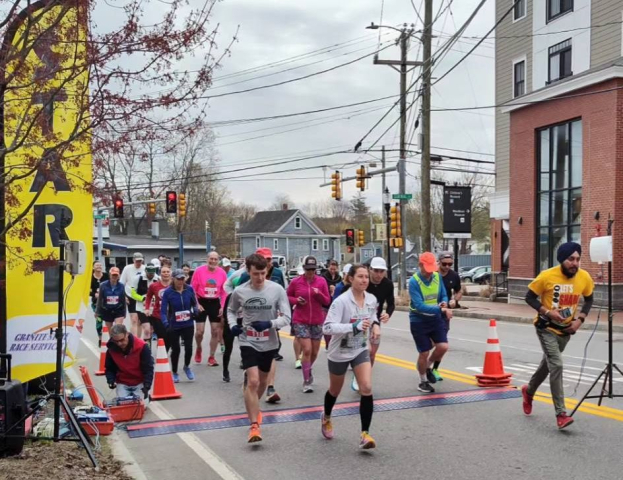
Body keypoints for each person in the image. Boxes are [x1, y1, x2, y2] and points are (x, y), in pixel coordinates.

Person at [522, 242, 594, 430]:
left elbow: (589, 298)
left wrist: (579, 320)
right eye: (571, 259)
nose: (575, 263)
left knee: (548, 365)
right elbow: (529, 297)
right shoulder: (547, 276)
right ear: (562, 259)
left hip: (566, 330)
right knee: (557, 364)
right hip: (546, 328)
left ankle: (528, 391)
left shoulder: (584, 277)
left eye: (578, 259)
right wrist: (546, 311)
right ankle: (561, 414)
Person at [227, 253, 291, 443]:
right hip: (248, 340)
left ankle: (254, 405)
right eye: (256, 274)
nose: (260, 278)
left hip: (269, 341)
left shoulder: (277, 289)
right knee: (253, 381)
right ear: (248, 271)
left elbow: (287, 317)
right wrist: (232, 326)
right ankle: (254, 425)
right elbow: (231, 310)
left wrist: (270, 324)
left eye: (263, 273)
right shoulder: (240, 291)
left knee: (262, 383)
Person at [321, 264, 380, 449]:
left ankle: (365, 434)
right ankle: (327, 416)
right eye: (360, 277)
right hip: (339, 351)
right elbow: (327, 327)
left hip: (360, 349)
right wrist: (352, 327)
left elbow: (373, 316)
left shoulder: (371, 299)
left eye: (366, 277)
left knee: (367, 387)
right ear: (350, 279)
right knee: (335, 390)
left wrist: (376, 325)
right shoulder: (341, 302)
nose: (364, 280)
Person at [237, 248, 287, 402]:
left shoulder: (278, 274)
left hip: (269, 324)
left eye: (269, 259)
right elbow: (234, 295)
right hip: (250, 326)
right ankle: (251, 375)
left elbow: (283, 294)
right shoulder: (244, 278)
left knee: (270, 355)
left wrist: (275, 315)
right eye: (265, 259)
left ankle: (270, 386)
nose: (269, 262)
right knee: (254, 378)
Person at [408, 252, 453, 394]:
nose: (429, 273)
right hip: (418, 319)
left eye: (431, 269)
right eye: (427, 269)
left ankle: (427, 367)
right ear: (420, 265)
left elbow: (443, 294)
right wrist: (441, 309)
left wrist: (444, 302)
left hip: (435, 318)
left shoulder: (437, 277)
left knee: (443, 346)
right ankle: (423, 381)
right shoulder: (414, 282)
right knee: (424, 351)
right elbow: (419, 305)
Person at [287, 256, 331, 393]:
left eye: (312, 269)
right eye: (308, 269)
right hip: (300, 319)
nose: (310, 272)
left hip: (317, 320)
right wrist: (296, 300)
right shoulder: (296, 282)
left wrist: (318, 294)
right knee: (306, 349)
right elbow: (287, 296)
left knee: (314, 351)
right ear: (304, 269)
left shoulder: (321, 281)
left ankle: (308, 369)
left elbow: (327, 301)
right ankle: (306, 381)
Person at [161, 268, 199, 383]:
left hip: (188, 323)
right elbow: (163, 311)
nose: (180, 281)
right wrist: (166, 323)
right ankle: (175, 371)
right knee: (176, 349)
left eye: (182, 279)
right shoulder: (168, 292)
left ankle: (187, 366)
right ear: (173, 279)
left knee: (189, 347)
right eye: (178, 279)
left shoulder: (189, 289)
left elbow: (194, 303)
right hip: (174, 325)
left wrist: (195, 311)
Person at [191, 252, 228, 366]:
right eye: (211, 259)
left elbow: (224, 291)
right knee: (199, 332)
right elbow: (192, 289)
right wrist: (197, 304)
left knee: (215, 331)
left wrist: (222, 306)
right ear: (207, 259)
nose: (213, 261)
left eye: (215, 259)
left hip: (214, 302)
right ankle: (198, 348)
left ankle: (211, 357)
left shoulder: (222, 273)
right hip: (201, 301)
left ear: (218, 261)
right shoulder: (199, 271)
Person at [433, 251, 463, 381]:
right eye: (444, 264)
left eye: (450, 264)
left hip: (446, 313)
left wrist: (455, 301)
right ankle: (425, 366)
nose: (447, 267)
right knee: (430, 343)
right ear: (439, 262)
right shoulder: (432, 274)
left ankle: (434, 369)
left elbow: (459, 291)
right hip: (431, 311)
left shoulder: (454, 275)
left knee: (442, 343)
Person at [105, 324, 154, 399]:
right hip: (122, 382)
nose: (119, 344)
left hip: (139, 382)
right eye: (116, 341)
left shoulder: (142, 347)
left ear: (127, 334)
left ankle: (147, 398)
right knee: (123, 405)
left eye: (122, 340)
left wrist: (147, 385)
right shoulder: (111, 349)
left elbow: (148, 368)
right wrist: (111, 380)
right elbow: (109, 368)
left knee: (140, 406)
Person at [126, 264, 159, 348]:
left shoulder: (158, 279)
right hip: (141, 308)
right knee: (147, 329)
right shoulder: (138, 278)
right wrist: (142, 299)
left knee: (151, 330)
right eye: (149, 274)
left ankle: (149, 347)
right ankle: (147, 351)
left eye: (152, 273)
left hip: (154, 308)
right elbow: (132, 293)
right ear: (146, 272)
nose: (151, 275)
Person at [145, 264, 172, 350]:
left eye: (167, 272)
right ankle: (160, 356)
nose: (166, 273)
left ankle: (163, 355)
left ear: (170, 273)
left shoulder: (174, 285)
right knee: (161, 337)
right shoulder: (154, 285)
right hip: (158, 315)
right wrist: (147, 308)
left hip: (172, 315)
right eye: (164, 272)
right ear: (160, 273)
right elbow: (148, 297)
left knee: (169, 338)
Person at [120, 252, 146, 337]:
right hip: (130, 295)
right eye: (137, 261)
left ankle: (138, 340)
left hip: (141, 296)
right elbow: (122, 283)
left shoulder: (145, 268)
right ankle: (134, 340)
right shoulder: (127, 268)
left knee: (140, 321)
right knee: (134, 319)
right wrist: (124, 296)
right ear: (133, 260)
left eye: (140, 261)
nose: (139, 263)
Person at [96, 267, 126, 331]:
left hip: (118, 310)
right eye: (113, 275)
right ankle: (112, 340)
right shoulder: (103, 285)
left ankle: (118, 340)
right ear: (109, 275)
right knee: (111, 330)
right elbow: (100, 299)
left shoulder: (121, 286)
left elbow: (123, 300)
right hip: (107, 310)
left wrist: (124, 313)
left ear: (118, 276)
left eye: (116, 275)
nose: (114, 277)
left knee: (118, 328)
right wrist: (98, 312)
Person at [90, 261, 108, 347]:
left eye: (100, 265)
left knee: (109, 320)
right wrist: (94, 294)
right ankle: (100, 339)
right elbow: (87, 290)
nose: (99, 267)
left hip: (108, 302)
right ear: (93, 267)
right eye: (97, 265)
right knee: (99, 320)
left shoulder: (106, 276)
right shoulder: (90, 278)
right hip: (96, 303)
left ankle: (110, 338)